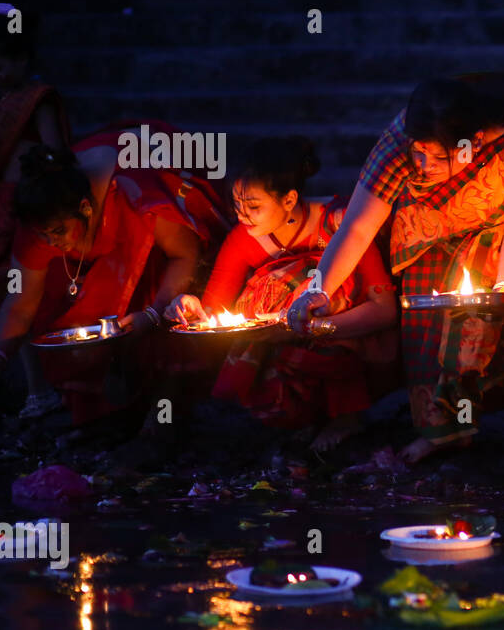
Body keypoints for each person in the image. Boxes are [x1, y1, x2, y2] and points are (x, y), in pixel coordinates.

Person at [287, 73, 504, 467]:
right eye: (419, 153)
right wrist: (317, 289)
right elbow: (357, 226)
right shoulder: (401, 141)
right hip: (426, 232)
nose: (424, 166)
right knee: (429, 326)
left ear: (476, 142)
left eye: (440, 158)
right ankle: (445, 431)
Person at [0, 127, 229, 431]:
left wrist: (154, 312)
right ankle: (107, 415)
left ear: (85, 209)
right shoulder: (41, 218)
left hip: (147, 170)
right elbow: (20, 303)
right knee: (66, 309)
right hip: (93, 224)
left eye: (57, 233)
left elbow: (185, 254)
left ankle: (163, 419)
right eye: (42, 235)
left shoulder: (136, 193)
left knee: (162, 305)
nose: (50, 242)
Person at [166, 137, 398, 453]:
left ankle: (347, 416)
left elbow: (385, 309)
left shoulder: (339, 222)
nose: (242, 216)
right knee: (264, 296)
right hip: (280, 339)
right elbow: (213, 311)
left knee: (310, 284)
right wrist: (191, 308)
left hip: (354, 334)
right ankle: (308, 416)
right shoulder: (242, 239)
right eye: (236, 205)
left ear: (289, 200)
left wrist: (316, 325)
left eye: (253, 206)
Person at [0, 3, 69, 417]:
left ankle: (38, 390)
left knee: (20, 295)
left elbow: (55, 154)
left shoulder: (37, 101)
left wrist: (37, 178)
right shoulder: (7, 102)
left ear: (22, 58)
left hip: (24, 208)